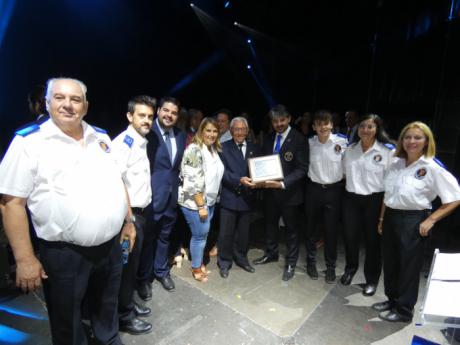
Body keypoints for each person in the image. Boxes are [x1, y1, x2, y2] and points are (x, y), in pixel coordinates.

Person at [0, 78, 135, 345]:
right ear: (47, 103)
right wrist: (25, 259)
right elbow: (11, 203)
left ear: (85, 106)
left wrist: (129, 223)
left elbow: (118, 181)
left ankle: (108, 340)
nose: (68, 105)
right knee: (67, 321)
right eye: (60, 98)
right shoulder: (29, 142)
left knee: (107, 308)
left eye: (76, 99)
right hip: (65, 254)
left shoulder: (101, 137)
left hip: (109, 247)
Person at [372, 121, 460, 323]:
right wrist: (382, 218)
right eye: (408, 137)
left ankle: (404, 310)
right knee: (392, 262)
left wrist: (431, 220)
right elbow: (388, 193)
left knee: (408, 267)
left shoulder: (432, 166)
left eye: (417, 137)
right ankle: (392, 300)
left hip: (413, 220)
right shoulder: (396, 163)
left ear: (426, 141)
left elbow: (455, 197)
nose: (412, 141)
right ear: (402, 140)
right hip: (391, 216)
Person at [112, 95, 156, 335]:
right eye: (142, 115)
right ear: (130, 116)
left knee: (132, 266)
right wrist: (128, 220)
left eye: (150, 116)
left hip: (140, 213)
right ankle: (124, 317)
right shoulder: (124, 143)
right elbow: (116, 181)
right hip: (129, 217)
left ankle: (128, 304)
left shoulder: (140, 141)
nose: (147, 120)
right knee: (125, 267)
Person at [252, 104, 308, 281]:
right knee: (270, 224)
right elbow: (262, 163)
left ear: (289, 119)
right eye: (275, 121)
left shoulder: (299, 139)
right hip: (270, 193)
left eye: (282, 120)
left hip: (289, 194)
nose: (279, 124)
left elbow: (302, 169)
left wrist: (282, 184)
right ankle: (271, 253)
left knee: (291, 230)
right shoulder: (269, 139)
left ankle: (291, 262)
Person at [137, 97, 186, 297]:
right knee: (148, 241)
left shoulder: (181, 135)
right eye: (166, 110)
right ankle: (143, 279)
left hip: (171, 197)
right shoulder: (147, 132)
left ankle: (161, 271)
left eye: (174, 113)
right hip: (151, 197)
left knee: (165, 238)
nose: (169, 115)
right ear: (158, 111)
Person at [341, 114, 394, 296]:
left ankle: (371, 279)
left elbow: (390, 183)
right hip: (351, 199)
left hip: (374, 200)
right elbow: (344, 174)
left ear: (377, 129)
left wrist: (382, 214)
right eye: (363, 126)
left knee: (372, 242)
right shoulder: (350, 150)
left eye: (370, 127)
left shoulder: (387, 152)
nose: (365, 130)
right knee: (350, 237)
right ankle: (350, 269)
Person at [178, 117, 224, 282]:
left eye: (215, 131)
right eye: (208, 130)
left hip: (209, 202)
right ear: (201, 131)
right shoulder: (194, 149)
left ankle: (197, 262)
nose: (211, 134)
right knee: (199, 236)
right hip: (195, 203)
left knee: (201, 235)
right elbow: (192, 181)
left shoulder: (213, 149)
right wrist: (201, 205)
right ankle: (196, 268)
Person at [304, 110, 347, 283]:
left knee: (331, 231)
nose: (323, 127)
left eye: (326, 123)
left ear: (332, 125)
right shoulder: (309, 143)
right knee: (311, 229)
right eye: (319, 124)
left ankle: (331, 267)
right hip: (313, 190)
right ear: (314, 127)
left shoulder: (342, 142)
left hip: (334, 191)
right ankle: (311, 262)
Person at [217, 117, 260, 278]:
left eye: (243, 129)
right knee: (226, 233)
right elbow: (222, 172)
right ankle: (224, 262)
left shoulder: (255, 148)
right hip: (230, 196)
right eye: (236, 129)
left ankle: (241, 259)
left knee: (244, 233)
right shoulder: (223, 147)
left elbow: (259, 168)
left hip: (248, 198)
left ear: (247, 131)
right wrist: (238, 180)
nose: (240, 132)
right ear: (231, 130)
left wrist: (260, 181)